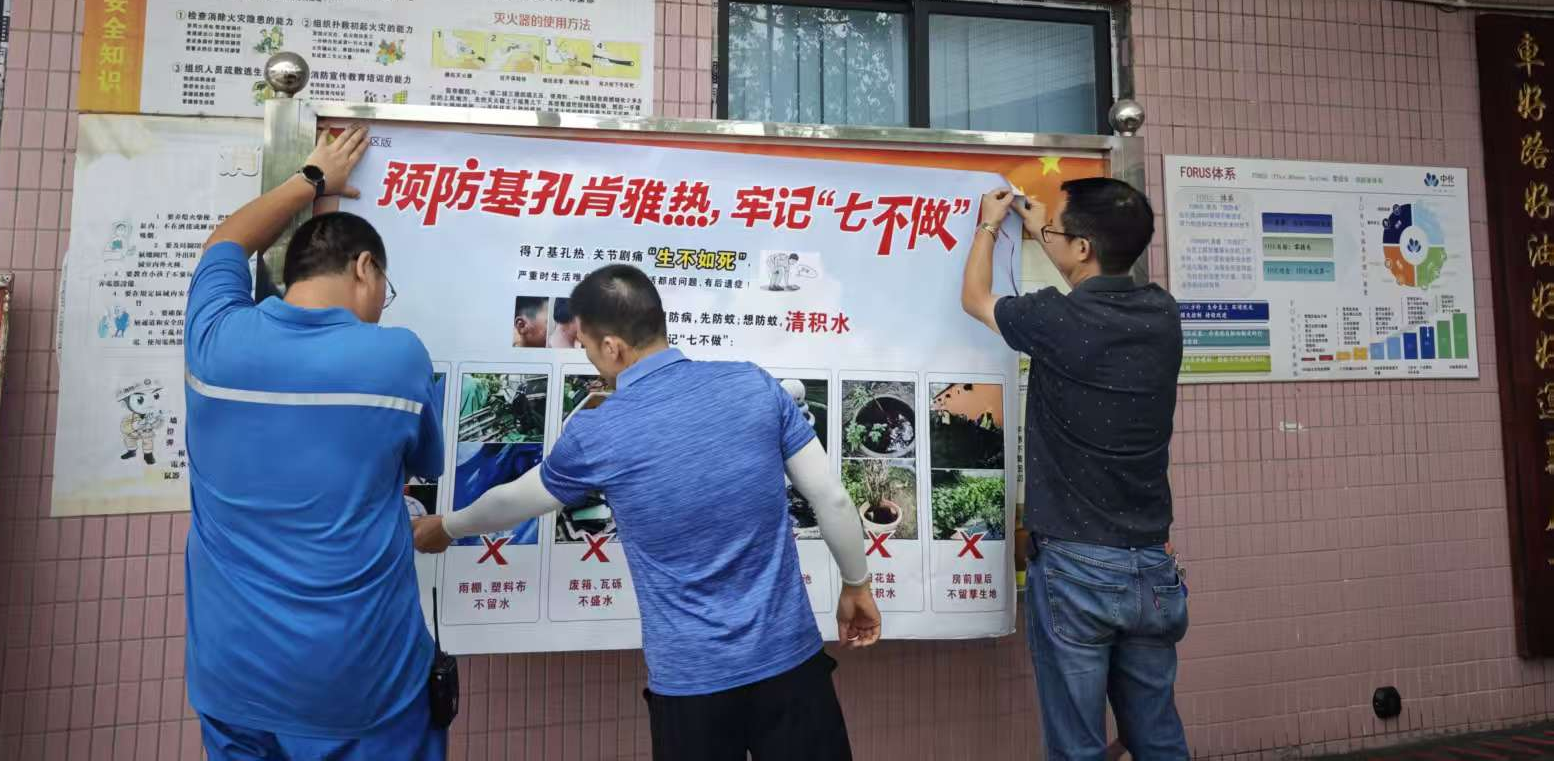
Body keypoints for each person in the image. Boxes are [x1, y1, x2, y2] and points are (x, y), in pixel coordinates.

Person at [413, 264, 881, 761]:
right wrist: (857, 585)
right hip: (791, 665)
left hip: (690, 686)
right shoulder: (753, 384)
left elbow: (513, 500)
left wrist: (447, 526)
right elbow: (832, 498)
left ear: (612, 347)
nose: (590, 359)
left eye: (587, 348)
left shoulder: (598, 431)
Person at [183, 125, 447, 761]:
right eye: (384, 288)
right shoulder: (395, 358)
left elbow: (225, 242)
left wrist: (312, 178)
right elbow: (425, 464)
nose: (382, 304)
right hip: (361, 686)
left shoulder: (213, 338)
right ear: (365, 267)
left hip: (231, 681)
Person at [960, 178, 1188, 761]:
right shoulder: (1163, 314)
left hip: (1076, 571)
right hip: (1152, 568)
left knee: (1077, 746)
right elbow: (1091, 287)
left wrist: (988, 226)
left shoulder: (1053, 318)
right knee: (1157, 737)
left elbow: (976, 298)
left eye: (1057, 231)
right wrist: (1049, 228)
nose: (1050, 234)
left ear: (1082, 247)